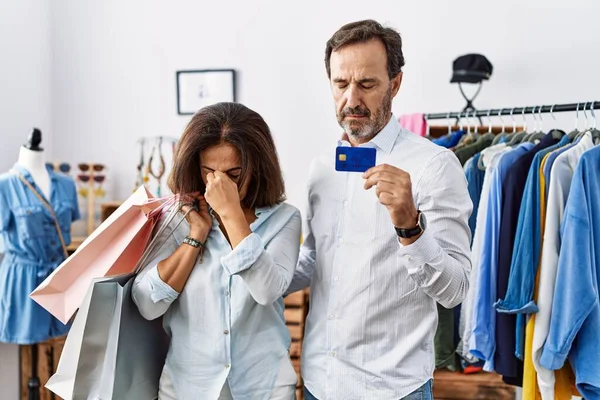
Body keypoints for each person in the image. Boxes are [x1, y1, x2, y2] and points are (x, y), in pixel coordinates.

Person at [286, 20, 473, 399]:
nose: (352, 99)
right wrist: (250, 258)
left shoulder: (435, 166)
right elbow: (314, 261)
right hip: (319, 383)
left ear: (395, 83)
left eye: (367, 84)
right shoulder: (322, 167)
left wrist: (410, 227)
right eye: (341, 84)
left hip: (393, 389)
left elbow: (455, 290)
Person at [133, 102, 301, 400]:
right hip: (187, 387)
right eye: (208, 171)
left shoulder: (284, 218)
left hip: (262, 387)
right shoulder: (179, 217)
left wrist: (231, 214)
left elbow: (267, 290)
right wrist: (195, 237)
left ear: (257, 168)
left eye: (233, 174)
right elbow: (147, 303)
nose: (219, 183)